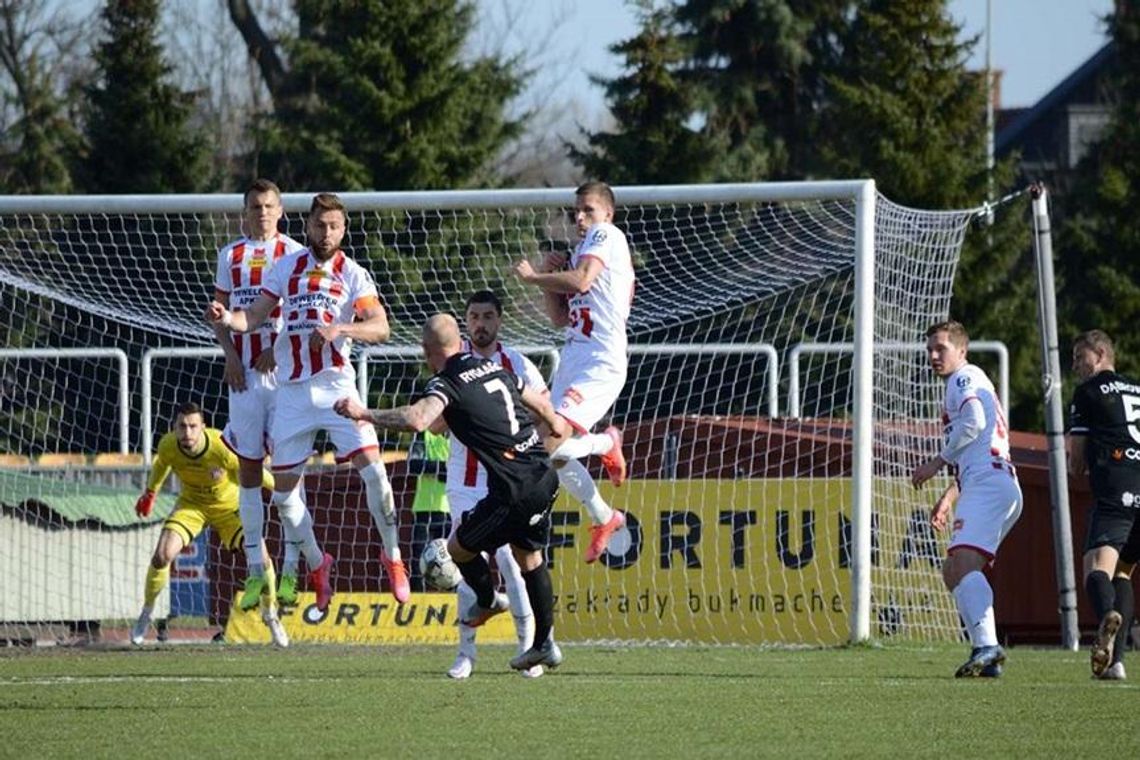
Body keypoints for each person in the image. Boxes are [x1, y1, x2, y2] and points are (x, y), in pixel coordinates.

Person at [205, 192, 409, 611]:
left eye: (334, 226)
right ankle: (319, 563)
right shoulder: (287, 267)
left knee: (375, 475)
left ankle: (393, 558)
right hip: (294, 393)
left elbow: (381, 327)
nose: (327, 233)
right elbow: (254, 317)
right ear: (308, 226)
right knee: (282, 498)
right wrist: (228, 319)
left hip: (337, 389)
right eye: (320, 225)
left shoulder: (353, 274)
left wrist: (342, 329)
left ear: (343, 229)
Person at [334, 314, 566, 672]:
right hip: (543, 477)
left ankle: (489, 601)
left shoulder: (448, 381)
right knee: (529, 559)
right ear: (460, 341)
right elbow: (539, 403)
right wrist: (553, 424)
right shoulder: (492, 366)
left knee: (457, 548)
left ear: (428, 352)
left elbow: (416, 420)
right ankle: (544, 645)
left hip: (513, 489)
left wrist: (362, 412)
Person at [513, 180, 633, 564]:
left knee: (549, 442)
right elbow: (560, 318)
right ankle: (603, 517)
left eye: (588, 210)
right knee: (553, 452)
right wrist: (549, 283)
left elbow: (581, 280)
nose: (580, 218)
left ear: (607, 214)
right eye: (575, 212)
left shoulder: (606, 235)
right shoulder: (584, 249)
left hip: (600, 360)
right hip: (574, 357)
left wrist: (534, 277)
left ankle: (605, 443)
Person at [441, 290, 549, 679]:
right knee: (467, 560)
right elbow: (437, 423)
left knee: (511, 561)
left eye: (487, 316)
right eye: (473, 317)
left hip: (508, 481)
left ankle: (527, 647)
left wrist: (526, 451)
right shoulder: (453, 366)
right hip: (464, 481)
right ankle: (465, 653)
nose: (480, 324)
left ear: (499, 321)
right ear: (465, 323)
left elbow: (545, 408)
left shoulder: (516, 363)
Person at [210, 178, 306, 611]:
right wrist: (230, 356)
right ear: (244, 212)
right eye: (255, 206)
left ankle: (289, 572)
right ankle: (254, 569)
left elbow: (302, 314)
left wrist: (275, 348)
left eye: (269, 205)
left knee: (286, 475)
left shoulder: (295, 255)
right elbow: (221, 313)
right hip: (245, 380)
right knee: (248, 470)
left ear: (281, 210)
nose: (262, 212)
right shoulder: (229, 256)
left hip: (286, 379)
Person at [911, 320, 1023, 678]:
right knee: (954, 570)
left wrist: (936, 462)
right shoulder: (970, 380)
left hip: (989, 483)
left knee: (961, 566)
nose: (933, 355)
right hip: (990, 481)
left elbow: (973, 423)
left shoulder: (963, 378)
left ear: (962, 350)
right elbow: (978, 443)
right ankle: (987, 655)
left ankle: (987, 647)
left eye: (940, 348)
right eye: (929, 349)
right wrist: (949, 493)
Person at [130, 402, 287, 648]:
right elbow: (162, 465)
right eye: (182, 426)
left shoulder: (220, 447)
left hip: (228, 509)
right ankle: (146, 612)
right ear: (174, 427)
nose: (187, 433)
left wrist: (281, 488)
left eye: (193, 426)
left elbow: (252, 470)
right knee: (162, 556)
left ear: (203, 427)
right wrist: (150, 493)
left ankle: (271, 614)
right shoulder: (169, 445)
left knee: (262, 559)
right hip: (192, 506)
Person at [1068, 329, 1140, 681]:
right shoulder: (1137, 387)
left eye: (1079, 358)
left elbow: (1077, 458)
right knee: (1123, 571)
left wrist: (1077, 468)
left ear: (1099, 354)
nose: (1075, 366)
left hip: (1116, 484)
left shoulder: (1088, 392)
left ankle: (1108, 617)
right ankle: (1117, 663)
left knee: (1096, 569)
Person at [407, 429, 452, 592]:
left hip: (451, 511)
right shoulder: (423, 434)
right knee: (418, 561)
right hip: (423, 509)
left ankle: (452, 601)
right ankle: (417, 600)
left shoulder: (459, 436)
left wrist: (433, 467)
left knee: (452, 562)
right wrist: (443, 468)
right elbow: (414, 465)